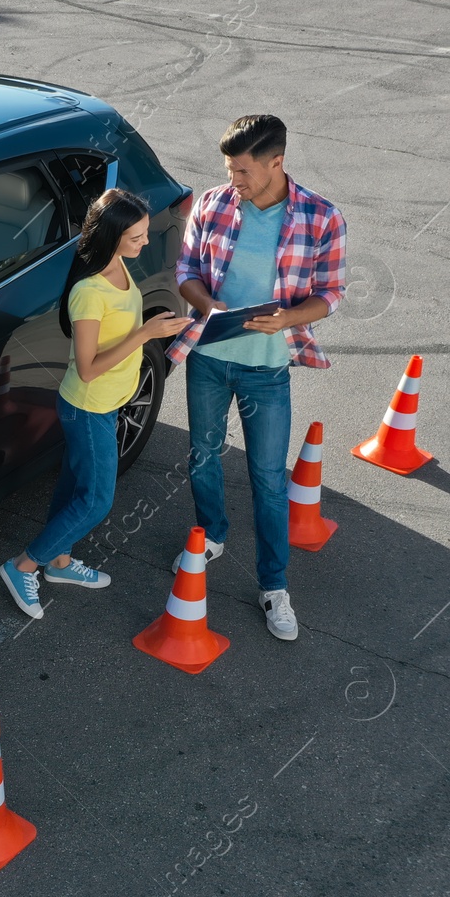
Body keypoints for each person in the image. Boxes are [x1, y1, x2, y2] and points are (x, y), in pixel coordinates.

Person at [166, 114, 347, 640]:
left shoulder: (320, 218)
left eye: (243, 172)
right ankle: (212, 536)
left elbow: (331, 292)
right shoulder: (213, 203)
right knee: (202, 454)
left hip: (267, 371)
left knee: (269, 481)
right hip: (210, 358)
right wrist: (209, 302)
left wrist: (289, 318)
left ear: (277, 163)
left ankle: (274, 586)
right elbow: (186, 271)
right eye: (229, 170)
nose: (234, 182)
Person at [0, 188, 191, 619]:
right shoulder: (89, 292)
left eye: (143, 234)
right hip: (88, 408)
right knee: (96, 501)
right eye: (136, 237)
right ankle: (22, 566)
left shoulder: (119, 266)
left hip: (111, 402)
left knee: (74, 490)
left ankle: (61, 563)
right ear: (111, 238)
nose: (145, 243)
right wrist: (144, 335)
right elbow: (86, 368)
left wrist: (152, 328)